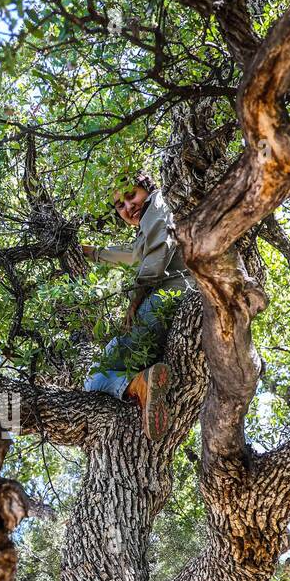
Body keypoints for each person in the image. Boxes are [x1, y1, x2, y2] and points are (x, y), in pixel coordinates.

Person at [81, 173, 193, 441]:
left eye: (131, 195)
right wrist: (93, 253)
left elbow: (154, 258)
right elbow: (133, 255)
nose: (128, 207)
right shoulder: (149, 221)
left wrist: (136, 300)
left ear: (147, 188)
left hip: (171, 298)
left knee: (95, 378)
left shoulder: (158, 202)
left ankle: (138, 384)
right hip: (177, 302)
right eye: (120, 205)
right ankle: (145, 382)